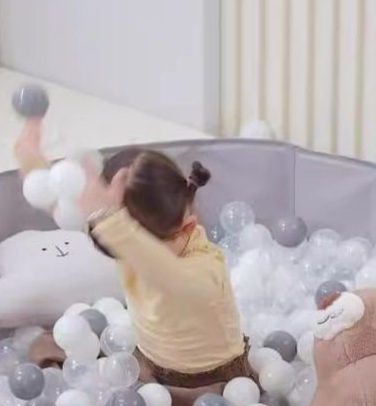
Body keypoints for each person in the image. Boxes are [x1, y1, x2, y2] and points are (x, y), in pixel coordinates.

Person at [77, 148, 250, 390]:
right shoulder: (124, 241)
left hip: (210, 379)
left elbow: (168, 276)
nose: (134, 255)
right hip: (149, 359)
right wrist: (37, 169)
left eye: (139, 243)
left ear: (186, 228)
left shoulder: (206, 266)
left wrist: (113, 225)